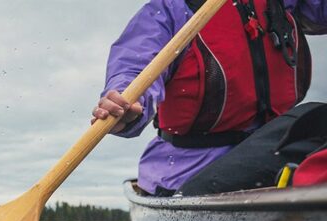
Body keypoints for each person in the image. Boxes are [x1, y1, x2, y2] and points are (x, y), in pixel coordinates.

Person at [93, 0, 327, 196]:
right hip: (189, 171)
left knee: (315, 119)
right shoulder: (167, 12)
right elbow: (133, 67)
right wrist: (126, 103)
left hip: (275, 151)